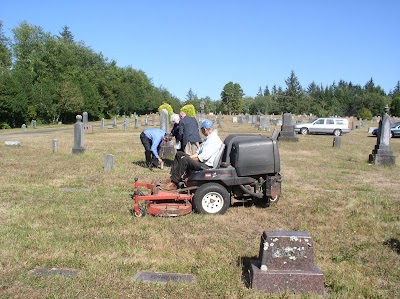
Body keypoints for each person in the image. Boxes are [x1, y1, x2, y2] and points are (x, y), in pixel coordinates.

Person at [161, 119, 223, 190]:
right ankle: (172, 178)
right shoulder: (208, 138)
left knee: (185, 160)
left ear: (205, 129)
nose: (201, 132)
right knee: (179, 154)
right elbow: (198, 152)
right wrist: (189, 157)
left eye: (201, 130)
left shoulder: (213, 140)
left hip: (206, 165)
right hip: (202, 161)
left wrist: (188, 158)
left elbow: (203, 157)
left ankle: (174, 183)